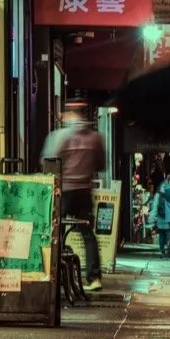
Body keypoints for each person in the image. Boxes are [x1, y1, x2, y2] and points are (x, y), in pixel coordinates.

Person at [41, 104, 105, 291]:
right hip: (84, 191)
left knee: (56, 231)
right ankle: (94, 278)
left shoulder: (60, 136)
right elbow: (101, 164)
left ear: (70, 114)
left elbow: (48, 160)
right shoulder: (95, 138)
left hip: (64, 190)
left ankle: (54, 274)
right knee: (87, 233)